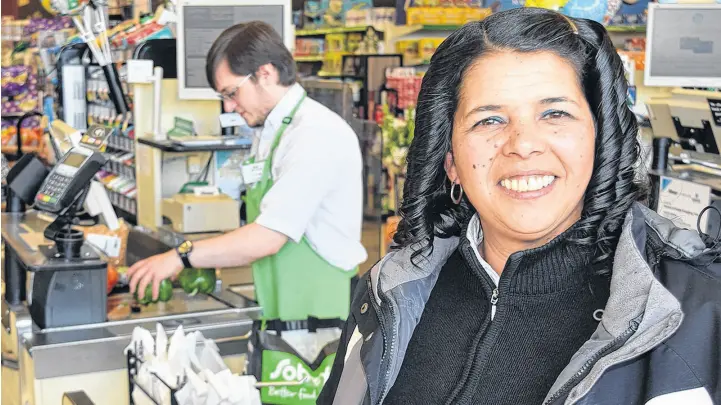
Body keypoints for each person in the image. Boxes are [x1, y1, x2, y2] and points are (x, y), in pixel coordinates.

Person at [319, 8, 721, 405]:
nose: (523, 144)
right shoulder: (392, 291)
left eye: (555, 113)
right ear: (451, 161)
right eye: (489, 120)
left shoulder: (700, 316)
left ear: (600, 142)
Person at [128, 21, 367, 322]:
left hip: (322, 313)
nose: (229, 107)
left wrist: (182, 256)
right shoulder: (272, 131)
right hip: (285, 305)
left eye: (232, 93)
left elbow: (268, 237)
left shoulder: (314, 134)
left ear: (265, 73)